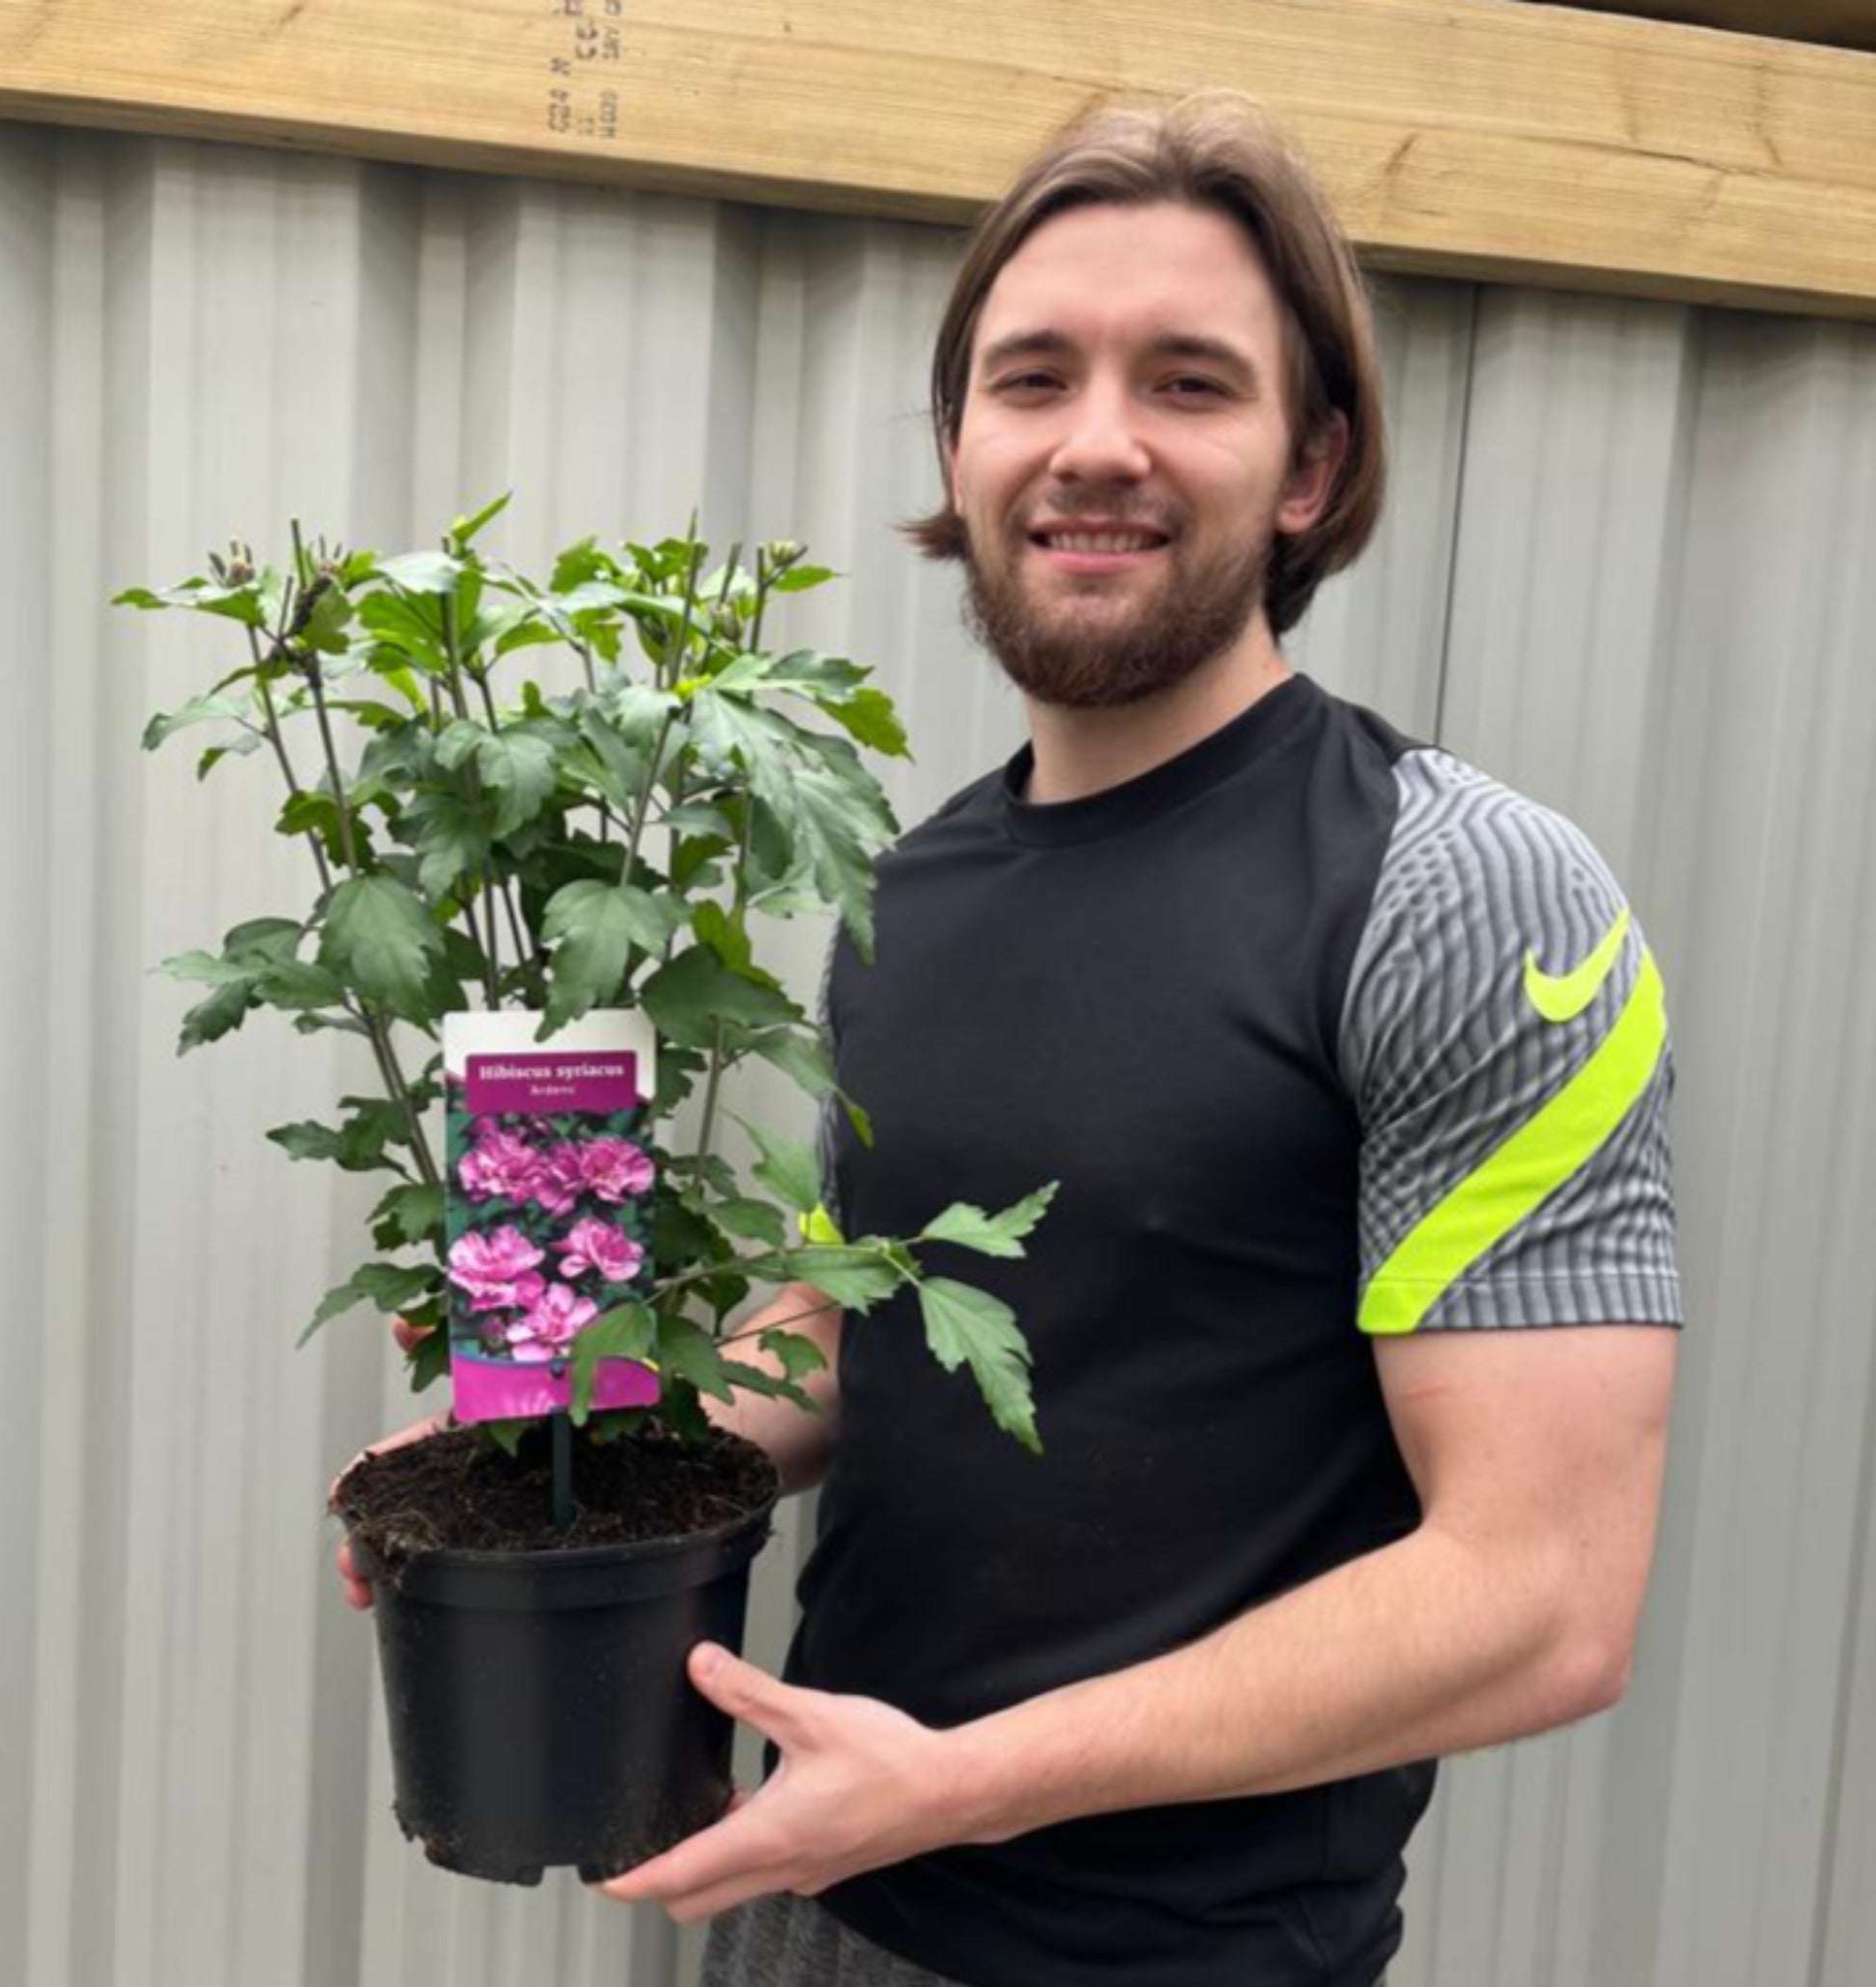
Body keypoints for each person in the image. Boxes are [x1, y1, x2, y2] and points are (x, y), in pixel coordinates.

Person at [335, 88, 1683, 1987]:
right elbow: (839, 1322)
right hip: (805, 1894)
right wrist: (555, 1446)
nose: (1096, 441)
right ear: (960, 442)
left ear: (1312, 463)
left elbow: (1540, 1595)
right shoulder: (909, 884)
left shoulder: (1461, 891)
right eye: (1031, 377)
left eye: (1190, 382)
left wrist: (960, 1783)